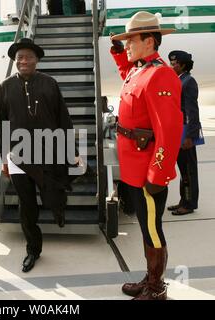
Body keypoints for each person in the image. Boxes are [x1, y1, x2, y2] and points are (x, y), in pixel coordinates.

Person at [110, 11, 183, 299]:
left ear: (149, 41)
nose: (126, 45)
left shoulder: (160, 74)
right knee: (144, 227)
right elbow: (131, 82)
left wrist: (159, 173)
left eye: (131, 40)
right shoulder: (140, 70)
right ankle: (149, 277)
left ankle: (156, 288)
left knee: (152, 230)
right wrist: (119, 56)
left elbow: (169, 130)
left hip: (148, 170)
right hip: (134, 166)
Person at [0, 38, 78, 273]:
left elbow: (64, 119)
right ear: (15, 60)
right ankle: (33, 249)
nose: (23, 61)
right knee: (27, 204)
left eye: (28, 57)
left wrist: (71, 152)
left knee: (54, 193)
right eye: (19, 57)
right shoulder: (4, 87)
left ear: (36, 60)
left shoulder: (50, 84)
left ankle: (58, 211)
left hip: (49, 152)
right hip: (19, 157)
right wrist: (3, 158)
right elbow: (1, 125)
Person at [167, 51, 201, 215]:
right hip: (178, 132)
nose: (172, 66)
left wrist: (190, 136)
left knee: (188, 171)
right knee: (183, 170)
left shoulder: (188, 82)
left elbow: (192, 112)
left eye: (175, 64)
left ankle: (189, 204)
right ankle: (183, 200)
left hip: (185, 133)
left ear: (183, 65)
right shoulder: (180, 80)